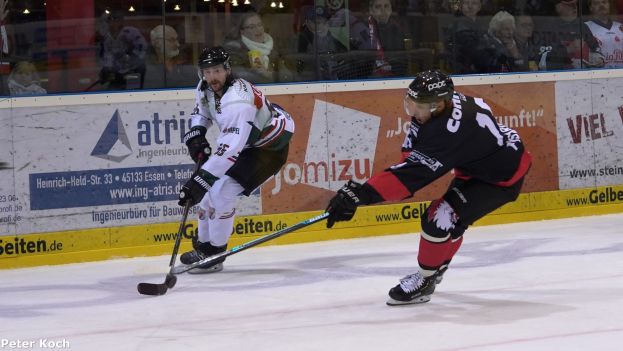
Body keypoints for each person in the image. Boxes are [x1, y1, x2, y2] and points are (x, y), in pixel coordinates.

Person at [324, 70, 532, 305]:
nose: (414, 112)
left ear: (439, 105)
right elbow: (410, 159)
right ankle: (436, 268)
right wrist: (367, 190)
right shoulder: (438, 111)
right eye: (411, 104)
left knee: (439, 217)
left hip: (499, 178)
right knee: (453, 222)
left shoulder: (447, 133)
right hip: (482, 165)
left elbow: (409, 178)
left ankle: (425, 281)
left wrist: (360, 195)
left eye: (419, 106)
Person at [177, 46, 295, 273]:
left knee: (220, 190)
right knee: (207, 195)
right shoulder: (205, 87)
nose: (212, 77)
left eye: (217, 71)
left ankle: (215, 254)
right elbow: (200, 113)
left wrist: (200, 181)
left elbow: (229, 150)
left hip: (268, 148)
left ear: (228, 70)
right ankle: (203, 247)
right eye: (207, 71)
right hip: (248, 141)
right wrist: (196, 135)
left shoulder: (238, 102)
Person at [224, 12, 290, 83]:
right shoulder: (235, 50)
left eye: (259, 25)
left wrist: (271, 75)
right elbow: (236, 77)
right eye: (252, 27)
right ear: (242, 31)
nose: (258, 29)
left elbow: (289, 77)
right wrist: (257, 75)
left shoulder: (271, 49)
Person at [350, 0, 409, 77]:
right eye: (378, 7)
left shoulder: (397, 31)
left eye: (386, 6)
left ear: (391, 9)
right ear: (371, 10)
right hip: (367, 80)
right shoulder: (362, 30)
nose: (383, 11)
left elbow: (403, 63)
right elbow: (356, 64)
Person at [94, 11, 147, 90]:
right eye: (109, 22)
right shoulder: (107, 38)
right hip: (117, 73)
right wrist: (107, 69)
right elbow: (107, 55)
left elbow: (142, 48)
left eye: (115, 20)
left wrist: (131, 51)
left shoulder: (131, 32)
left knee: (133, 93)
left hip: (133, 70)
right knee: (112, 93)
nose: (112, 24)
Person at [296, 5, 347, 81]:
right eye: (317, 22)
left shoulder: (330, 38)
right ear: (307, 22)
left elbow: (345, 56)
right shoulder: (301, 39)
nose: (321, 26)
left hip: (332, 84)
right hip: (308, 85)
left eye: (325, 22)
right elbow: (298, 67)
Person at [143, 24, 197, 89]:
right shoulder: (145, 68)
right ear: (157, 43)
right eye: (172, 40)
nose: (178, 44)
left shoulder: (187, 66)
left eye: (177, 39)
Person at [584, 0, 623, 68]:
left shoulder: (620, 27)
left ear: (609, 5)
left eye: (604, 2)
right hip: (598, 75)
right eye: (596, 3)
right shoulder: (585, 27)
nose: (601, 5)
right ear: (590, 8)